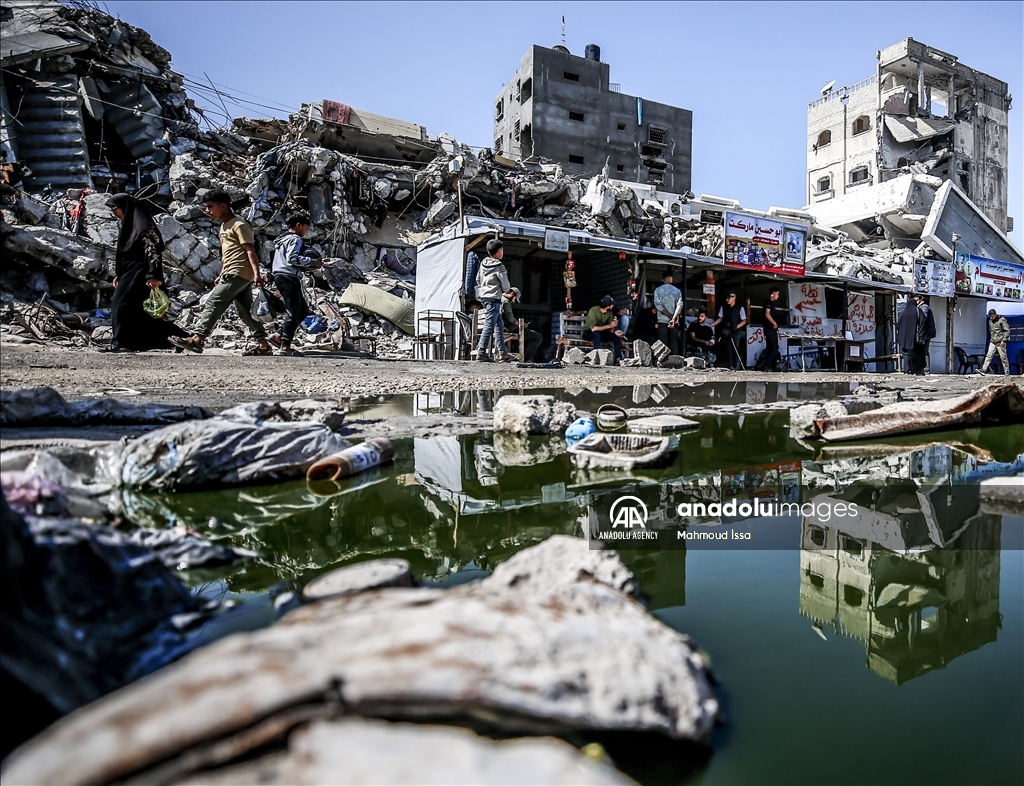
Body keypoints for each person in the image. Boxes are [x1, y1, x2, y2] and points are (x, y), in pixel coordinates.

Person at [170, 191, 273, 355]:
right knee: (245, 310)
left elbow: (250, 250)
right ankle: (264, 345)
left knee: (214, 302)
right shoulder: (225, 226)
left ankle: (198, 339)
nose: (208, 211)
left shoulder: (239, 225)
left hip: (238, 272)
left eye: (210, 207)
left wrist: (257, 274)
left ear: (223, 205)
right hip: (232, 271)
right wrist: (222, 273)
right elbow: (229, 254)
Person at [103, 193, 189, 352]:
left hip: (141, 273)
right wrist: (120, 274)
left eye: (115, 209)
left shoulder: (145, 228)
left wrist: (153, 275)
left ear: (126, 208)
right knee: (142, 313)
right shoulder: (131, 226)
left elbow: (153, 253)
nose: (114, 213)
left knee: (121, 305)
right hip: (131, 273)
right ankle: (181, 338)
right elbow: (126, 254)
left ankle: (120, 343)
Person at [268, 214, 322, 356]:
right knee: (293, 311)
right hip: (289, 277)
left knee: (303, 310)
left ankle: (278, 336)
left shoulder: (282, 240)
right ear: (298, 225)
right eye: (306, 228)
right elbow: (292, 258)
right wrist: (312, 263)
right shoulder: (295, 239)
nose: (306, 231)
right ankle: (285, 346)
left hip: (280, 276)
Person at [475, 238, 511, 362]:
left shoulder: (483, 263)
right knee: (489, 325)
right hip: (494, 298)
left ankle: (503, 353)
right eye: (502, 249)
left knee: (499, 325)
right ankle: (481, 352)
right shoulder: (499, 266)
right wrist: (502, 290)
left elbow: (478, 279)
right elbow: (506, 286)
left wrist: (486, 287)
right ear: (499, 251)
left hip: (484, 297)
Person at [501, 287, 543, 362]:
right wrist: (522, 324)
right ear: (512, 294)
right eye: (514, 299)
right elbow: (511, 319)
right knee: (537, 337)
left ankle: (518, 358)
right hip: (508, 328)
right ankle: (524, 359)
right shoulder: (506, 302)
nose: (514, 302)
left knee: (522, 336)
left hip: (503, 327)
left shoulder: (499, 299)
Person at [711, 292, 747, 369]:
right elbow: (720, 318)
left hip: (736, 331)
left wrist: (737, 326)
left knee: (735, 348)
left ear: (734, 298)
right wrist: (711, 325)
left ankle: (736, 366)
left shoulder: (740, 307)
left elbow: (744, 320)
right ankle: (730, 366)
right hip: (727, 330)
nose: (727, 300)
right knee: (728, 348)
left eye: (729, 298)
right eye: (726, 298)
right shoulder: (723, 307)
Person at [583, 295, 623, 360]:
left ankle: (619, 359)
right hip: (588, 333)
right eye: (612, 305)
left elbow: (610, 329)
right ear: (607, 306)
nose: (613, 306)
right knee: (597, 333)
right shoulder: (593, 310)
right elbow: (593, 329)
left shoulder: (609, 313)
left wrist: (615, 331)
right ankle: (597, 356)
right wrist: (609, 325)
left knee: (615, 336)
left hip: (601, 333)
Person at [653, 271, 681, 354]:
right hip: (674, 321)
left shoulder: (658, 290)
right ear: (671, 279)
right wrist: (673, 317)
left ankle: (663, 361)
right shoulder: (677, 291)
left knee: (663, 341)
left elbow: (658, 305)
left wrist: (668, 315)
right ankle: (675, 361)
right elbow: (680, 305)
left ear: (662, 279)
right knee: (673, 341)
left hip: (662, 320)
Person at [755, 287, 782, 372]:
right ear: (773, 293)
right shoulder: (768, 302)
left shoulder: (771, 303)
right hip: (769, 328)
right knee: (773, 347)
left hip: (771, 329)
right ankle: (768, 365)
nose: (778, 296)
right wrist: (774, 323)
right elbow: (767, 314)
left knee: (771, 347)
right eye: (777, 294)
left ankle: (771, 365)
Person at [978, 308, 1010, 375]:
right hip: (993, 341)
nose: (991, 317)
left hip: (1000, 341)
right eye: (990, 316)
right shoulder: (990, 321)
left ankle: (1006, 371)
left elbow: (1007, 331)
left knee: (1003, 357)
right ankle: (984, 369)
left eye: (992, 316)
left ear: (995, 314)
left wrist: (1004, 340)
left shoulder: (1002, 320)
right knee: (989, 355)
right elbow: (991, 331)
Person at [911, 294, 936, 375]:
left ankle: (926, 368)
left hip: (925, 333)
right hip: (925, 332)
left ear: (921, 299)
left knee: (924, 351)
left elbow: (923, 319)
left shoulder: (924, 307)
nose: (916, 302)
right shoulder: (921, 307)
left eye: (917, 300)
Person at [896, 296, 918, 374]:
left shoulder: (903, 313)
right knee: (913, 354)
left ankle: (906, 370)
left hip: (902, 338)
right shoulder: (916, 312)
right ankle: (913, 370)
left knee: (905, 354)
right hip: (912, 338)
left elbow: (897, 325)